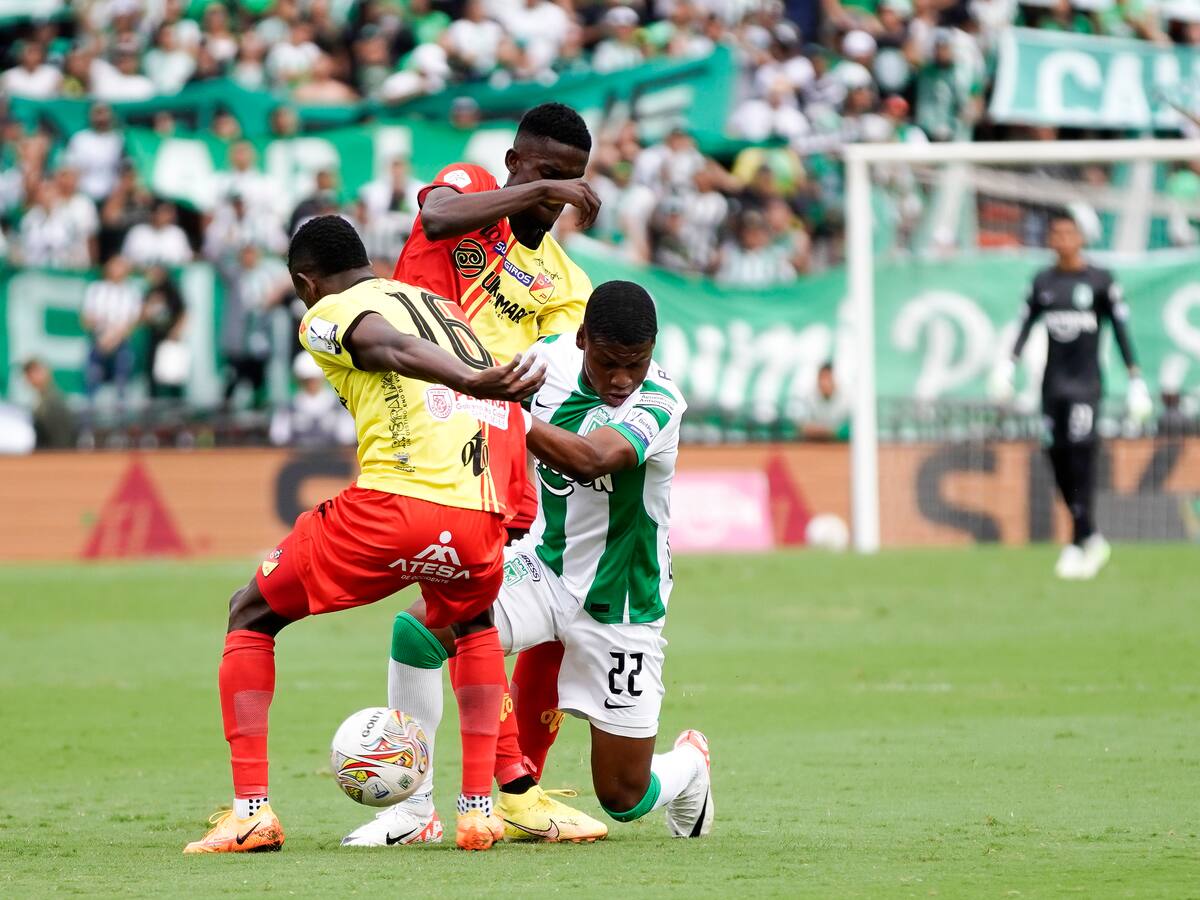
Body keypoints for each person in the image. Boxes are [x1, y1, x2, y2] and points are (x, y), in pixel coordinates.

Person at [183, 215, 544, 856]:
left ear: (304, 281)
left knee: (251, 611)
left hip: (394, 508)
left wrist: (465, 380)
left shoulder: (332, 309)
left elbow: (384, 348)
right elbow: (505, 415)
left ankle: (251, 812)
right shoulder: (444, 309)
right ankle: (478, 811)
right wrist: (506, 517)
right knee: (475, 622)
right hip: (479, 514)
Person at [344, 282, 712, 847]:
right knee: (419, 631)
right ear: (583, 339)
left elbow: (591, 460)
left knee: (623, 795)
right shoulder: (545, 363)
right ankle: (415, 812)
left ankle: (689, 764)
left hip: (625, 605)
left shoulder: (660, 403)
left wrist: (499, 410)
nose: (621, 381)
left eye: (635, 364)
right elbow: (471, 399)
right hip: (544, 570)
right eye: (609, 363)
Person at [361, 102, 601, 844]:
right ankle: (504, 788)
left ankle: (453, 799)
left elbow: (565, 370)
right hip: (417, 422)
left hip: (495, 447)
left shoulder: (564, 280)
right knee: (455, 618)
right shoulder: (466, 190)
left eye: (568, 183)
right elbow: (435, 221)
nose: (554, 196)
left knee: (464, 616)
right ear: (513, 163)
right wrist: (533, 196)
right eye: (542, 177)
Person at [992, 211, 1152, 580]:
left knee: (1081, 456)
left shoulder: (1099, 281)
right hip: (1053, 386)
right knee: (1057, 457)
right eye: (1057, 233)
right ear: (1050, 239)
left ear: (1081, 238)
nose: (1063, 239)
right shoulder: (1044, 282)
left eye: (1069, 233)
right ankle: (1090, 535)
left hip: (1086, 386)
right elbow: (1024, 325)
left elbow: (1122, 330)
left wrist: (1136, 380)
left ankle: (1077, 541)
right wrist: (1007, 365)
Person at [22, 359, 76, 449]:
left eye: (35, 372)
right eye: (28, 374)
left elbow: (61, 440)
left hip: (54, 457)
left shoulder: (53, 401)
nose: (30, 377)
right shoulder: (41, 398)